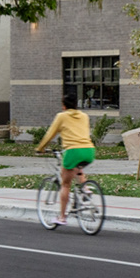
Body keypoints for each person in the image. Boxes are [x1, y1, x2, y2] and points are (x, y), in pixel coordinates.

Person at [34, 93, 98, 227]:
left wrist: (40, 148)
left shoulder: (61, 116)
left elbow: (50, 134)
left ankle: (62, 217)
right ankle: (85, 189)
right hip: (89, 150)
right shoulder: (84, 116)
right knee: (78, 168)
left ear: (64, 106)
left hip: (72, 151)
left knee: (66, 184)